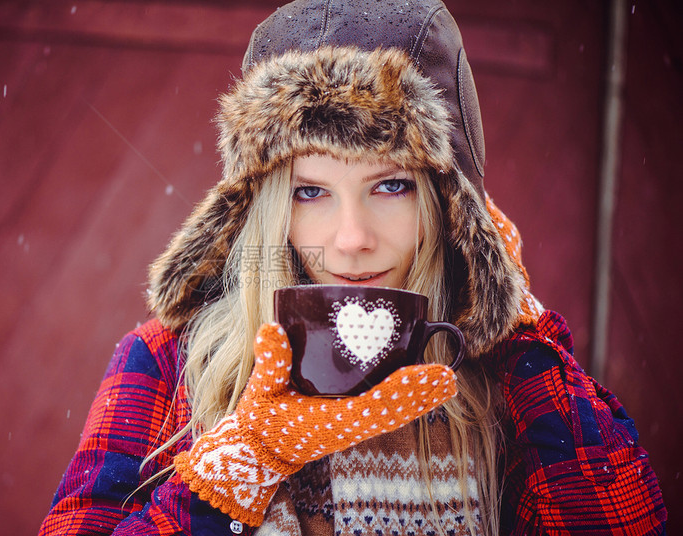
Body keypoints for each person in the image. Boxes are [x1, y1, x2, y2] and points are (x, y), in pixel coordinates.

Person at [38, 0, 667, 534]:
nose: (351, 239)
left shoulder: (497, 374)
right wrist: (240, 467)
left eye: (391, 186)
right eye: (310, 192)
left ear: (449, 207)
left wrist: (506, 311)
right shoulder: (168, 362)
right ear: (268, 208)